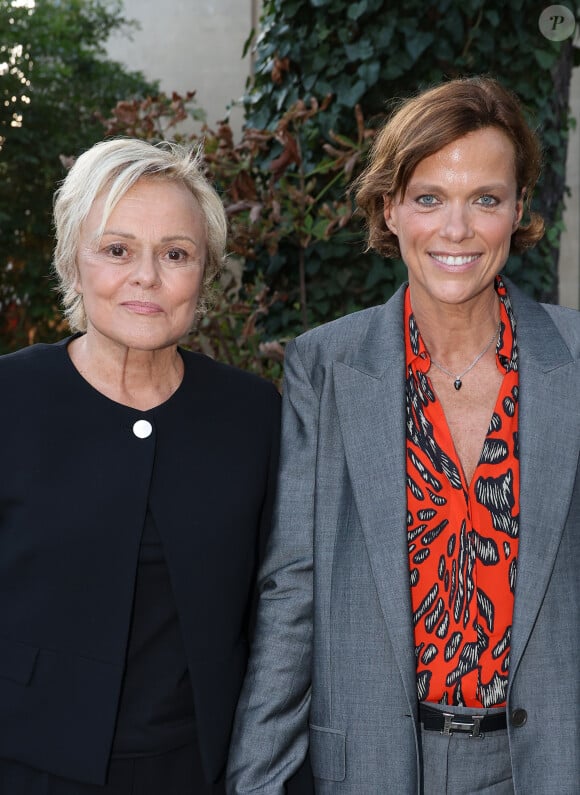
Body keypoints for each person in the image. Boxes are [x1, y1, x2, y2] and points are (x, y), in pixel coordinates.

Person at [226, 76, 580, 794]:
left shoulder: (574, 361)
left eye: (485, 198)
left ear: (517, 210)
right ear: (390, 209)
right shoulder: (324, 366)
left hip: (546, 766)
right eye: (428, 198)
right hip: (373, 763)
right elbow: (292, 590)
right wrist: (256, 778)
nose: (456, 229)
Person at [0, 138, 313, 794]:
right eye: (117, 250)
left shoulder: (252, 414)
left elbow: (280, 607)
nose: (146, 276)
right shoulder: (12, 399)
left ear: (204, 271)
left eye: (176, 253)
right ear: (73, 262)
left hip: (200, 771)